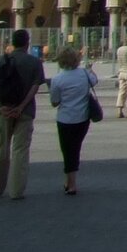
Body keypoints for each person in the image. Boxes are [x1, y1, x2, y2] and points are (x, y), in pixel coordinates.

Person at [0, 29, 46, 200]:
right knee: (20, 150)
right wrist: (21, 106)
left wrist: (1, 106)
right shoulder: (34, 62)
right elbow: (35, 87)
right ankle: (16, 190)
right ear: (27, 43)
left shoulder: (0, 61)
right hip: (25, 111)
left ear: (12, 42)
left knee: (2, 150)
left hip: (4, 110)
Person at [47, 45, 99, 195]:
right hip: (82, 118)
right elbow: (94, 81)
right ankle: (69, 180)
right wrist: (90, 69)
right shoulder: (83, 74)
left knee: (67, 150)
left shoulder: (57, 79)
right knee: (75, 148)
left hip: (64, 119)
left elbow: (54, 102)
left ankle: (71, 184)